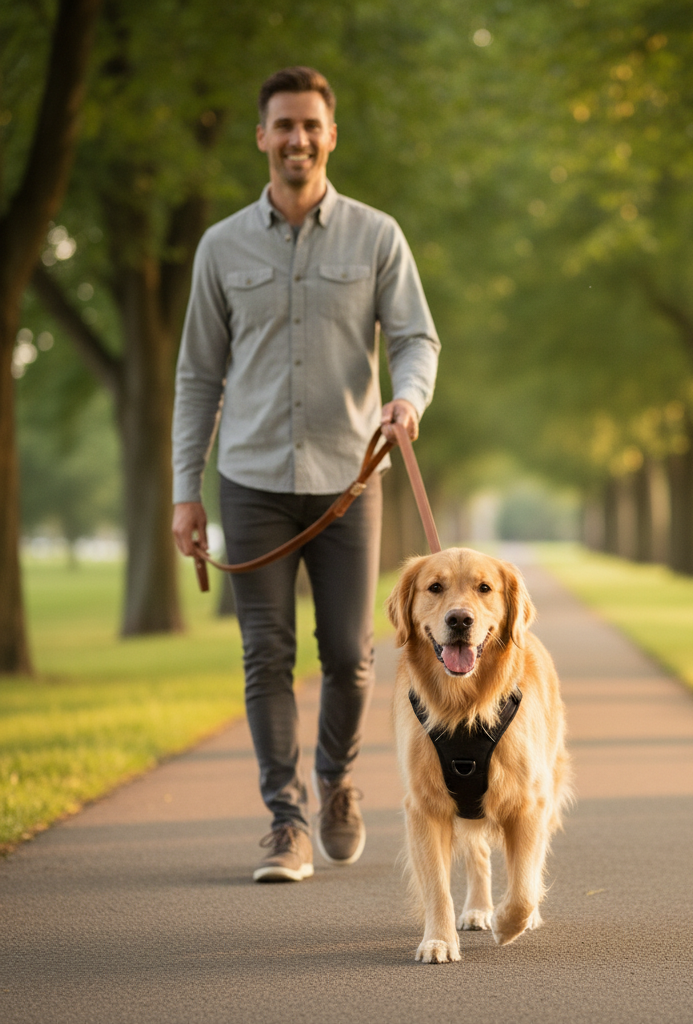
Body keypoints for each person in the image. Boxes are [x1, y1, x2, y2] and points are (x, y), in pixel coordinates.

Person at [170, 66, 440, 883]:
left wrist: (407, 400)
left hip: (349, 478)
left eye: (310, 126)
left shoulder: (377, 236)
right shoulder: (221, 247)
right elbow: (196, 377)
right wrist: (187, 489)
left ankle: (337, 782)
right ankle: (285, 821)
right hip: (250, 479)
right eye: (282, 125)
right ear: (262, 136)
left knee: (352, 654)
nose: (297, 139)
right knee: (264, 654)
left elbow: (416, 339)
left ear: (331, 134)